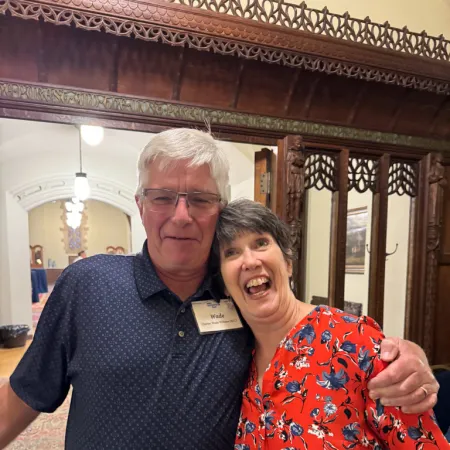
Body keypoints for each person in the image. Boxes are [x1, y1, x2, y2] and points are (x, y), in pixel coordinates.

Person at [0, 129, 440, 450]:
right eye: (162, 197)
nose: (181, 215)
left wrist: (406, 354)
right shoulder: (87, 285)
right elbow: (24, 394)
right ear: (139, 205)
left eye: (199, 199)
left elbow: (323, 338)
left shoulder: (241, 297)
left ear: (219, 210)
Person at [215, 198, 448, 449]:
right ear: (224, 286)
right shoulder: (234, 357)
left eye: (261, 243)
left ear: (288, 263)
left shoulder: (354, 341)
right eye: (231, 252)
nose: (249, 261)